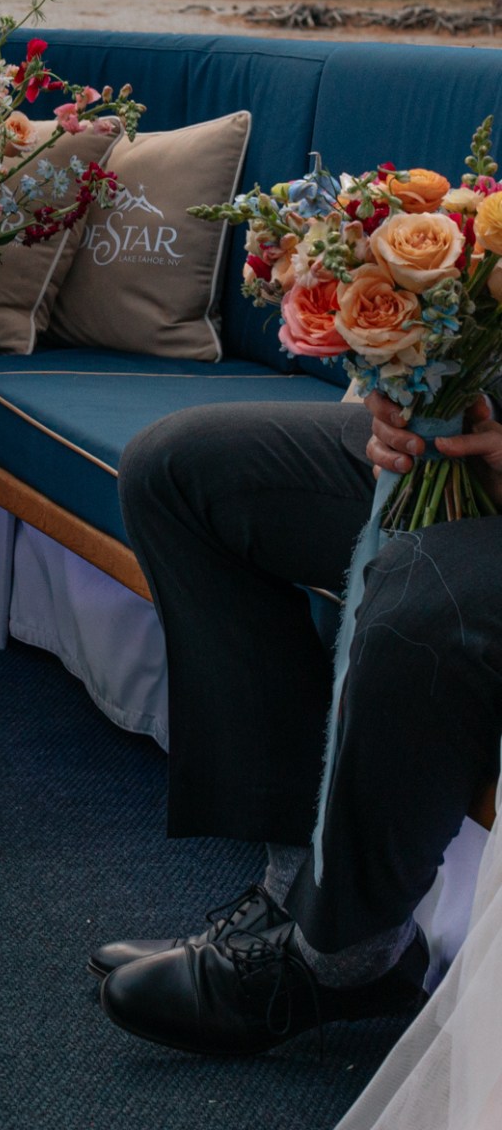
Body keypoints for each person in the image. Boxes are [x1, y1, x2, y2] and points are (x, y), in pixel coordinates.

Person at [92, 393, 502, 1056]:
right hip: (467, 437)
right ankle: (290, 894)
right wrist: (398, 396)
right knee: (174, 469)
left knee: (419, 593)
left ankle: (347, 956)